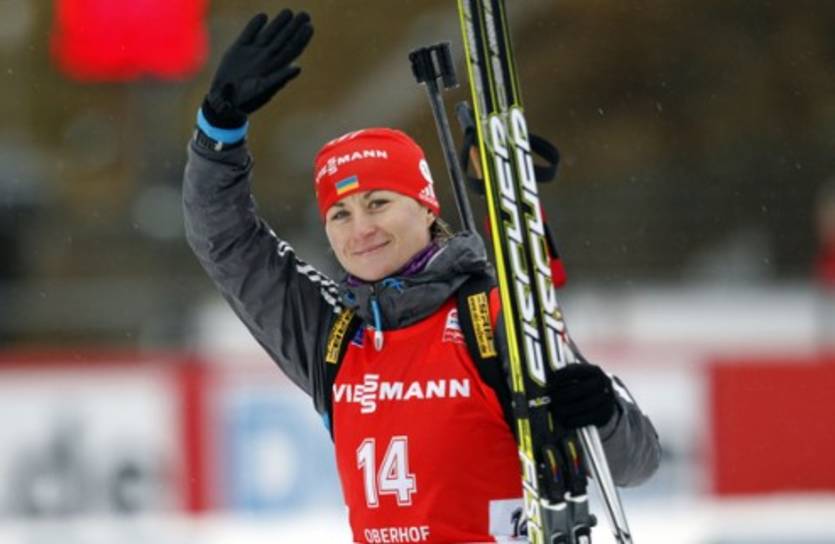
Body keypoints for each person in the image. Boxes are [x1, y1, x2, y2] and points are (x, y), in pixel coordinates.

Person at [183, 9, 660, 544]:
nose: (361, 229)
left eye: (378, 203)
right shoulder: (334, 336)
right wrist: (218, 128)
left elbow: (635, 461)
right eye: (340, 214)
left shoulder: (492, 316)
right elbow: (226, 243)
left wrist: (601, 411)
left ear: (426, 207)